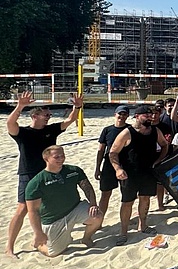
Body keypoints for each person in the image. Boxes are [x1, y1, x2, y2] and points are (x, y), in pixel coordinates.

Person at [6, 91, 82, 257]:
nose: (49, 116)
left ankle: (39, 237)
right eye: (45, 114)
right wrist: (20, 106)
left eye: (50, 114)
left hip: (48, 173)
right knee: (23, 208)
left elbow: (71, 120)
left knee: (44, 207)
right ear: (35, 115)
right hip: (29, 173)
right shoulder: (23, 133)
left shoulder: (51, 130)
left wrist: (77, 106)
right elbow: (10, 123)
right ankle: (9, 247)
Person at [26, 146, 103, 257]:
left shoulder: (74, 171)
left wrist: (93, 204)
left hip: (75, 208)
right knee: (53, 253)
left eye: (62, 156)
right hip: (53, 219)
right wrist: (38, 232)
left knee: (97, 216)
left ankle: (86, 239)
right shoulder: (37, 183)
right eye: (56, 157)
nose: (61, 159)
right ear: (46, 159)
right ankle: (38, 244)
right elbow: (33, 211)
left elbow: (87, 187)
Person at [109, 105, 169, 246]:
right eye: (146, 115)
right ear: (137, 116)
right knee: (127, 202)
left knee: (145, 199)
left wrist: (159, 161)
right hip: (130, 174)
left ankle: (143, 225)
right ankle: (123, 232)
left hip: (148, 172)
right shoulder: (127, 133)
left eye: (151, 114)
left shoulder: (155, 130)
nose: (150, 117)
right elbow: (113, 152)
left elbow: (164, 145)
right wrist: (117, 169)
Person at [94, 105, 130, 222]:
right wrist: (97, 168)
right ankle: (99, 221)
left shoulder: (130, 130)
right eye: (120, 114)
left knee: (126, 196)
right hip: (109, 165)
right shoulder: (107, 130)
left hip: (125, 165)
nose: (122, 116)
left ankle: (125, 219)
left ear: (127, 116)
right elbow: (101, 150)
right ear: (115, 114)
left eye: (124, 114)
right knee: (105, 195)